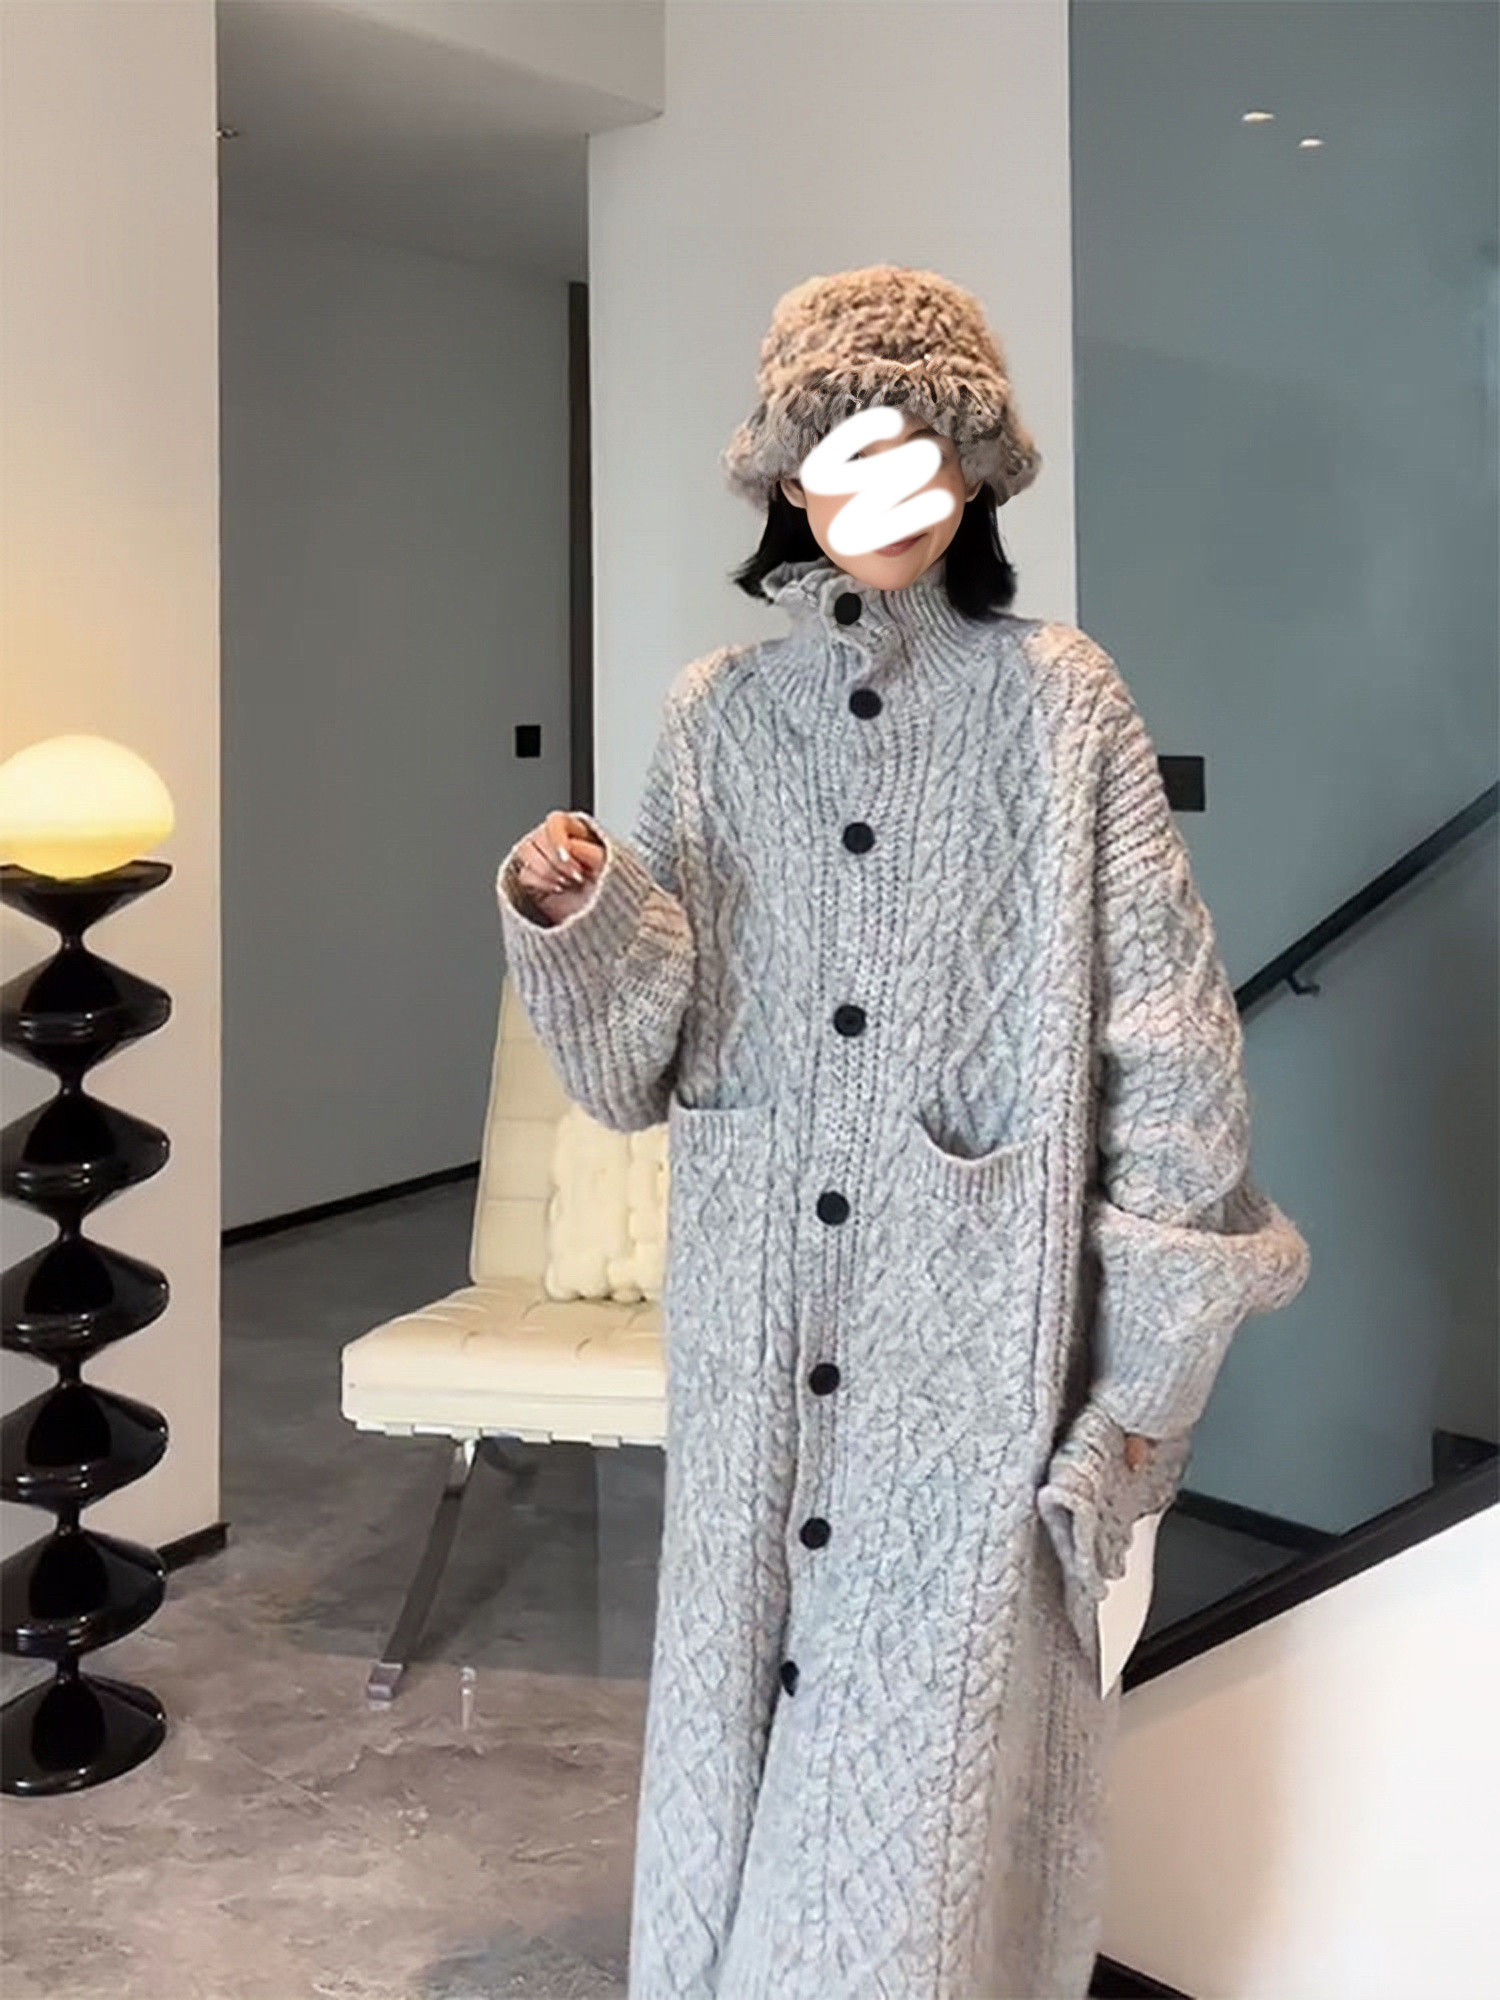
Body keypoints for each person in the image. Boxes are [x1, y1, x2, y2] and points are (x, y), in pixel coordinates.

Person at [496, 265, 1311, 2000]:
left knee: (909, 1854)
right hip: (752, 1352)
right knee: (734, 1785)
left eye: (919, 445)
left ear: (977, 472)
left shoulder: (1063, 703)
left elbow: (1175, 1064)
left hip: (969, 1365)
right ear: (786, 482)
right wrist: (580, 918)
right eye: (839, 450)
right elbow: (630, 1068)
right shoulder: (716, 716)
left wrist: (1135, 1404)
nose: (879, 486)